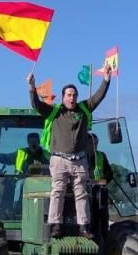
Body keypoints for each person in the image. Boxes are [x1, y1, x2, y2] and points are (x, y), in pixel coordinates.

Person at [28, 62, 112, 239]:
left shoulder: (83, 109)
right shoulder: (55, 112)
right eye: (69, 95)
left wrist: (106, 79)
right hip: (59, 160)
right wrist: (31, 87)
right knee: (57, 191)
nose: (72, 98)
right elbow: (36, 105)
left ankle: (83, 227)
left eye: (74, 95)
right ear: (63, 97)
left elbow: (98, 97)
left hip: (80, 161)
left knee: (81, 192)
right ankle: (55, 226)